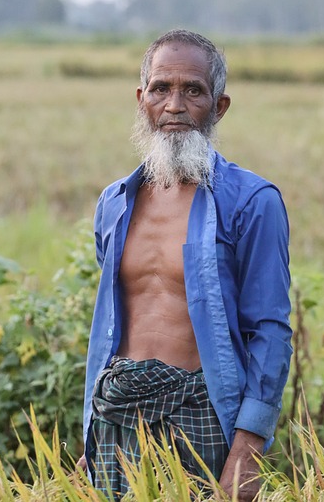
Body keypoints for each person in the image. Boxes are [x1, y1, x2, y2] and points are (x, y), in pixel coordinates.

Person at [78, 29, 292, 501]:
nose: (174, 105)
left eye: (193, 90)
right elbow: (113, 324)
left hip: (200, 419)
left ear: (219, 106)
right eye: (161, 88)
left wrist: (248, 449)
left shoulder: (253, 202)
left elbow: (271, 330)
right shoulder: (114, 203)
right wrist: (92, 431)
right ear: (141, 99)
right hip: (118, 416)